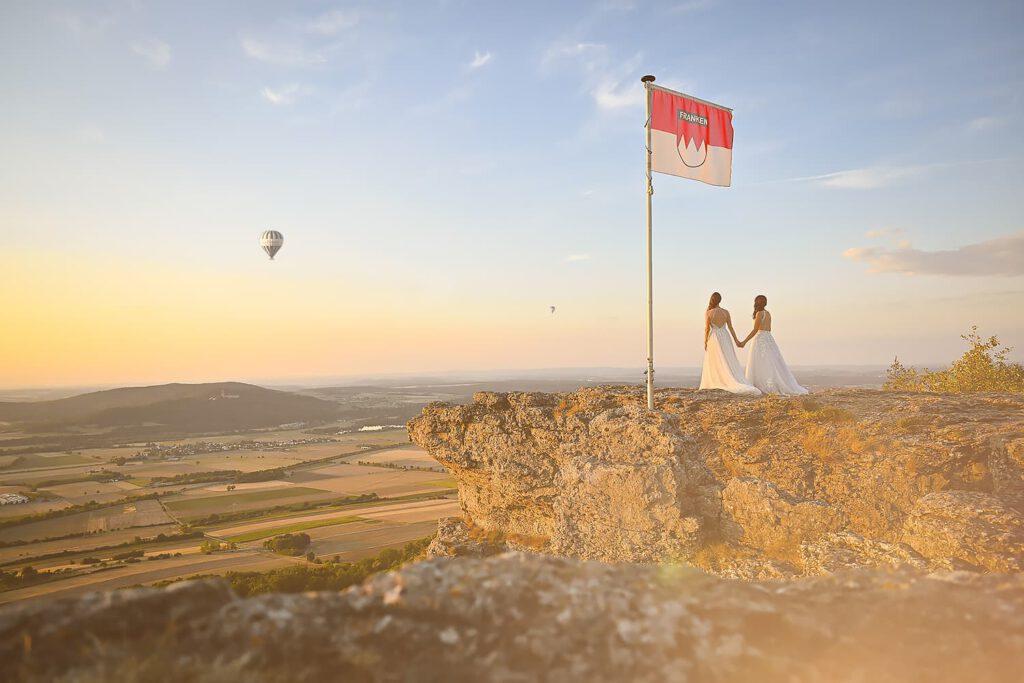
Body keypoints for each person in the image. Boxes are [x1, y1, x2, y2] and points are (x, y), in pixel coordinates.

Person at [738, 294, 808, 395]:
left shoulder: (759, 314)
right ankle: (771, 384)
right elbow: (769, 329)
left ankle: (761, 385)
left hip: (760, 339)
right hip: (769, 338)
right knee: (771, 362)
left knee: (760, 363)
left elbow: (755, 330)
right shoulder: (768, 313)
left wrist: (744, 342)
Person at [699, 292, 761, 395]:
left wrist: (705, 341)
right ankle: (728, 378)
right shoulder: (726, 312)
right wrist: (736, 340)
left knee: (716, 359)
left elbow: (707, 329)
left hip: (714, 338)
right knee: (727, 357)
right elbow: (731, 328)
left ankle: (718, 380)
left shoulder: (709, 313)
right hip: (725, 336)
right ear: (720, 300)